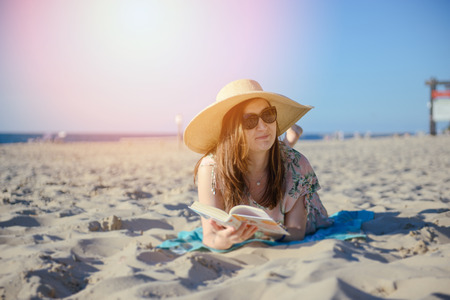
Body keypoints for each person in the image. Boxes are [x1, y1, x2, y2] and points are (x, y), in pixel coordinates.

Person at [184, 79, 332, 250]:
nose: (263, 126)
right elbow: (210, 236)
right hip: (255, 162)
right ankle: (288, 141)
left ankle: (287, 142)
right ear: (232, 130)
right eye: (250, 121)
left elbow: (297, 232)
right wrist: (224, 240)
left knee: (282, 160)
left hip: (301, 221)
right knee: (269, 153)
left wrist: (264, 232)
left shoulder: (297, 164)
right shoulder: (210, 167)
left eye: (268, 115)